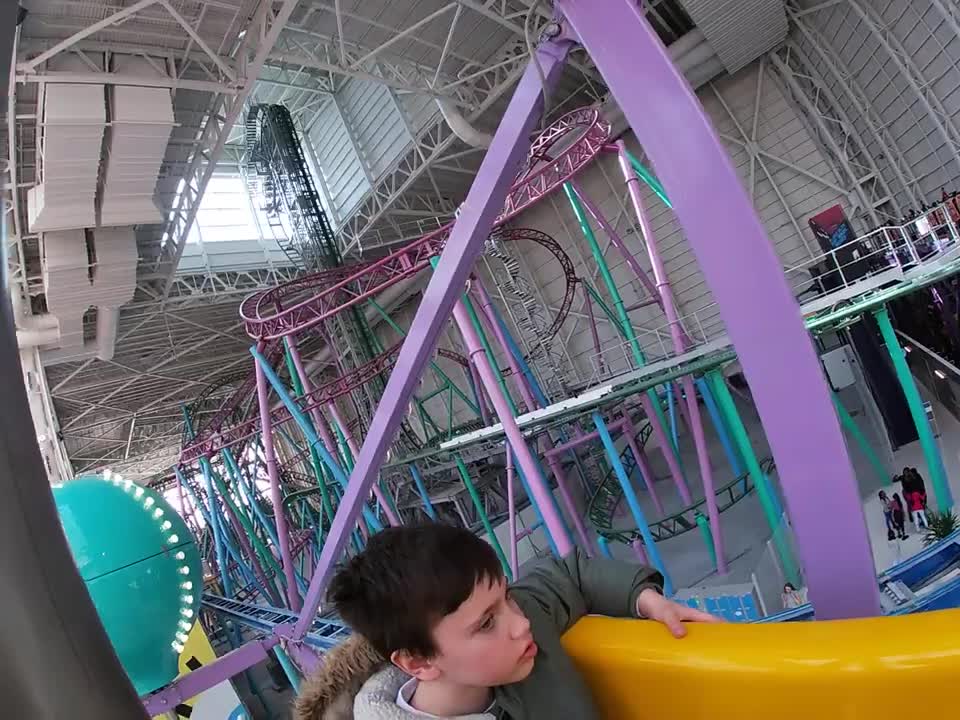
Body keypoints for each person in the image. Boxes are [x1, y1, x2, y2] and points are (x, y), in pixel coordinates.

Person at [294, 523, 719, 720]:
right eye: (486, 624)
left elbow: (566, 575)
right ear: (419, 662)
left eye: (506, 599)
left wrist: (646, 600)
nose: (519, 625)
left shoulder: (522, 633)